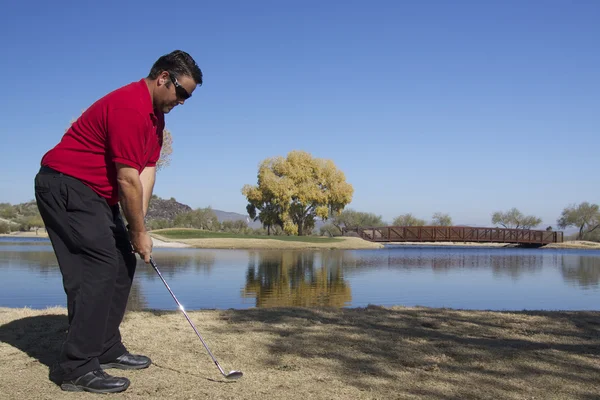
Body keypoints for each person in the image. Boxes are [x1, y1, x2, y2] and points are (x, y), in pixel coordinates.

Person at [34, 50, 203, 394]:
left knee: (123, 260)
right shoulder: (129, 106)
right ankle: (77, 367)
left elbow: (145, 173)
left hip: (96, 193)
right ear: (163, 78)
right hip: (66, 184)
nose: (183, 102)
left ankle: (106, 347)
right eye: (182, 93)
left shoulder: (156, 118)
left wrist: (138, 227)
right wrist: (137, 229)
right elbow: (127, 179)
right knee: (99, 266)